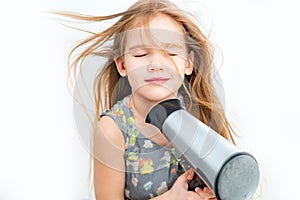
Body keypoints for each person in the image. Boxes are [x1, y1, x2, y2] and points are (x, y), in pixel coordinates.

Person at [61, 0, 236, 199]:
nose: (155, 64)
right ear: (122, 65)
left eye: (170, 52)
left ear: (188, 63)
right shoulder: (113, 130)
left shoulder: (198, 114)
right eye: (141, 54)